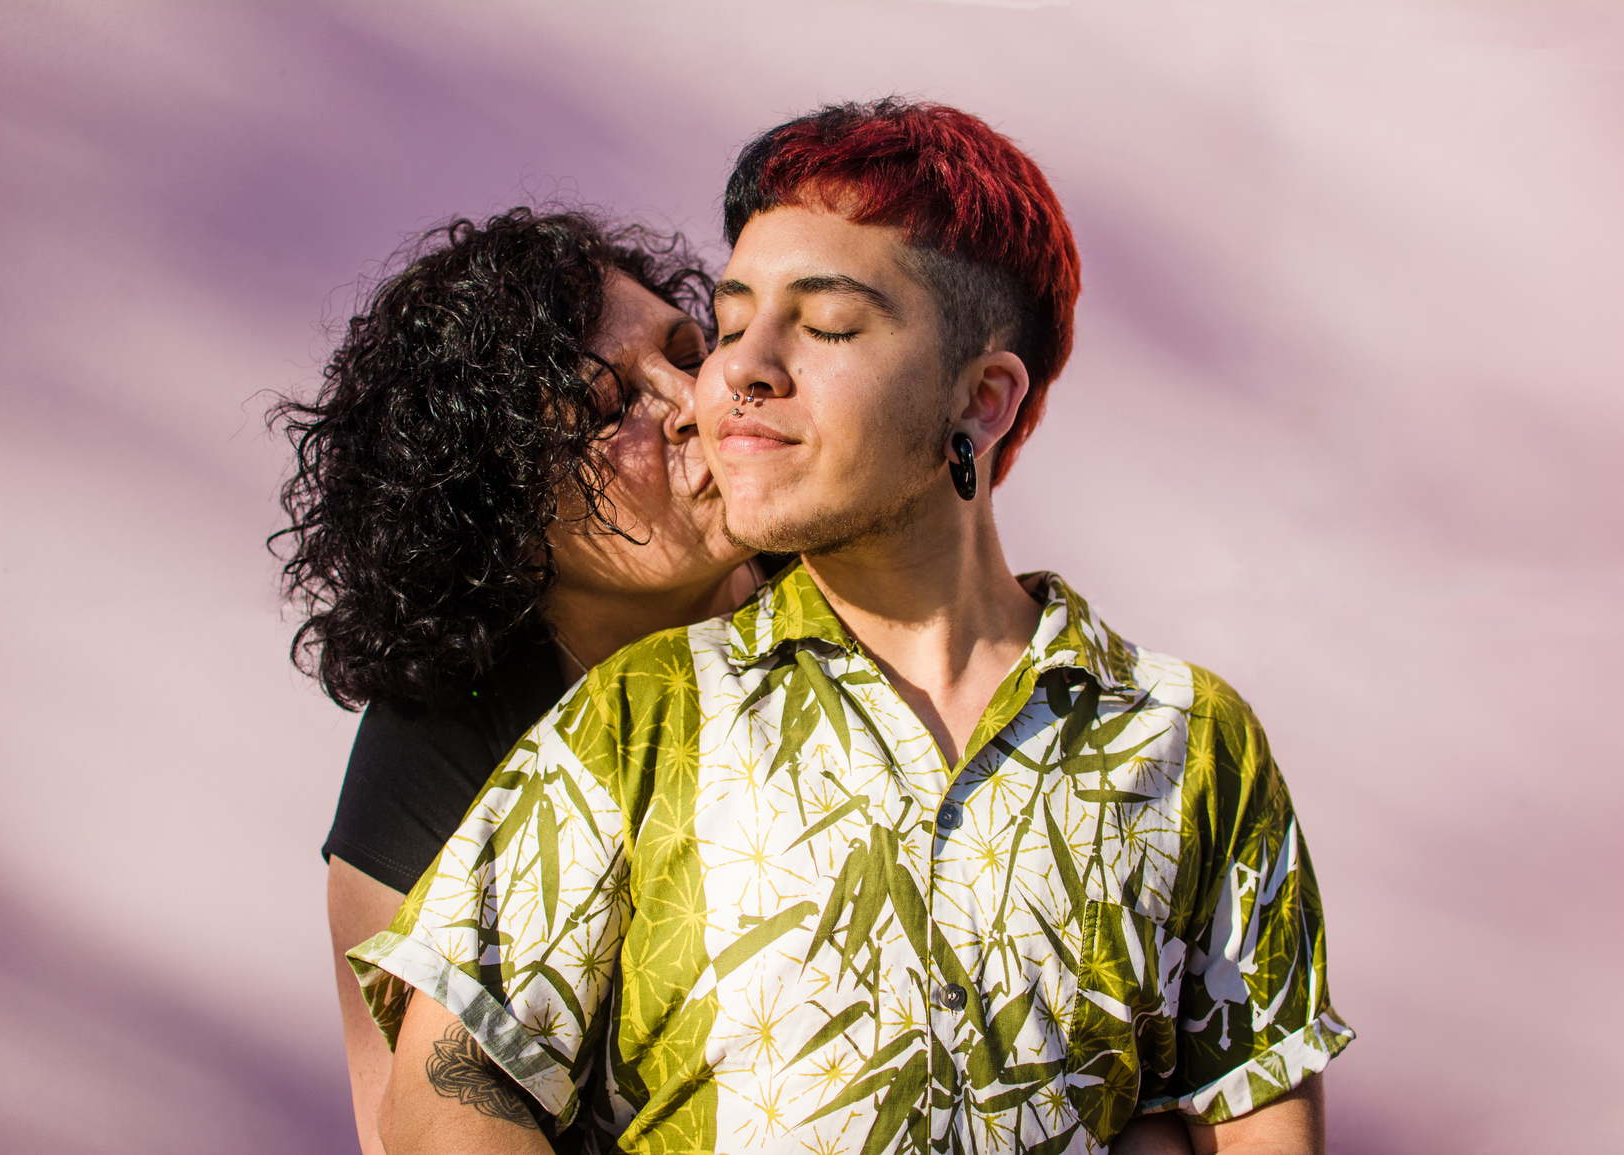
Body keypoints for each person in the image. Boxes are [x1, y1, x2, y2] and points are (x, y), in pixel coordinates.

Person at [350, 101, 1353, 1154]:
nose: (733, 373)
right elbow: (447, 1082)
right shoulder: (632, 721)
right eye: (730, 326)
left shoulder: (1189, 741)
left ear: (983, 401)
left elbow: (1249, 1102)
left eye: (825, 326)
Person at [269, 208, 765, 1154]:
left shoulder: (846, 586)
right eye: (606, 411)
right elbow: (402, 1128)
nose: (697, 402)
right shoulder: (435, 751)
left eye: (691, 348)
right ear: (496, 515)